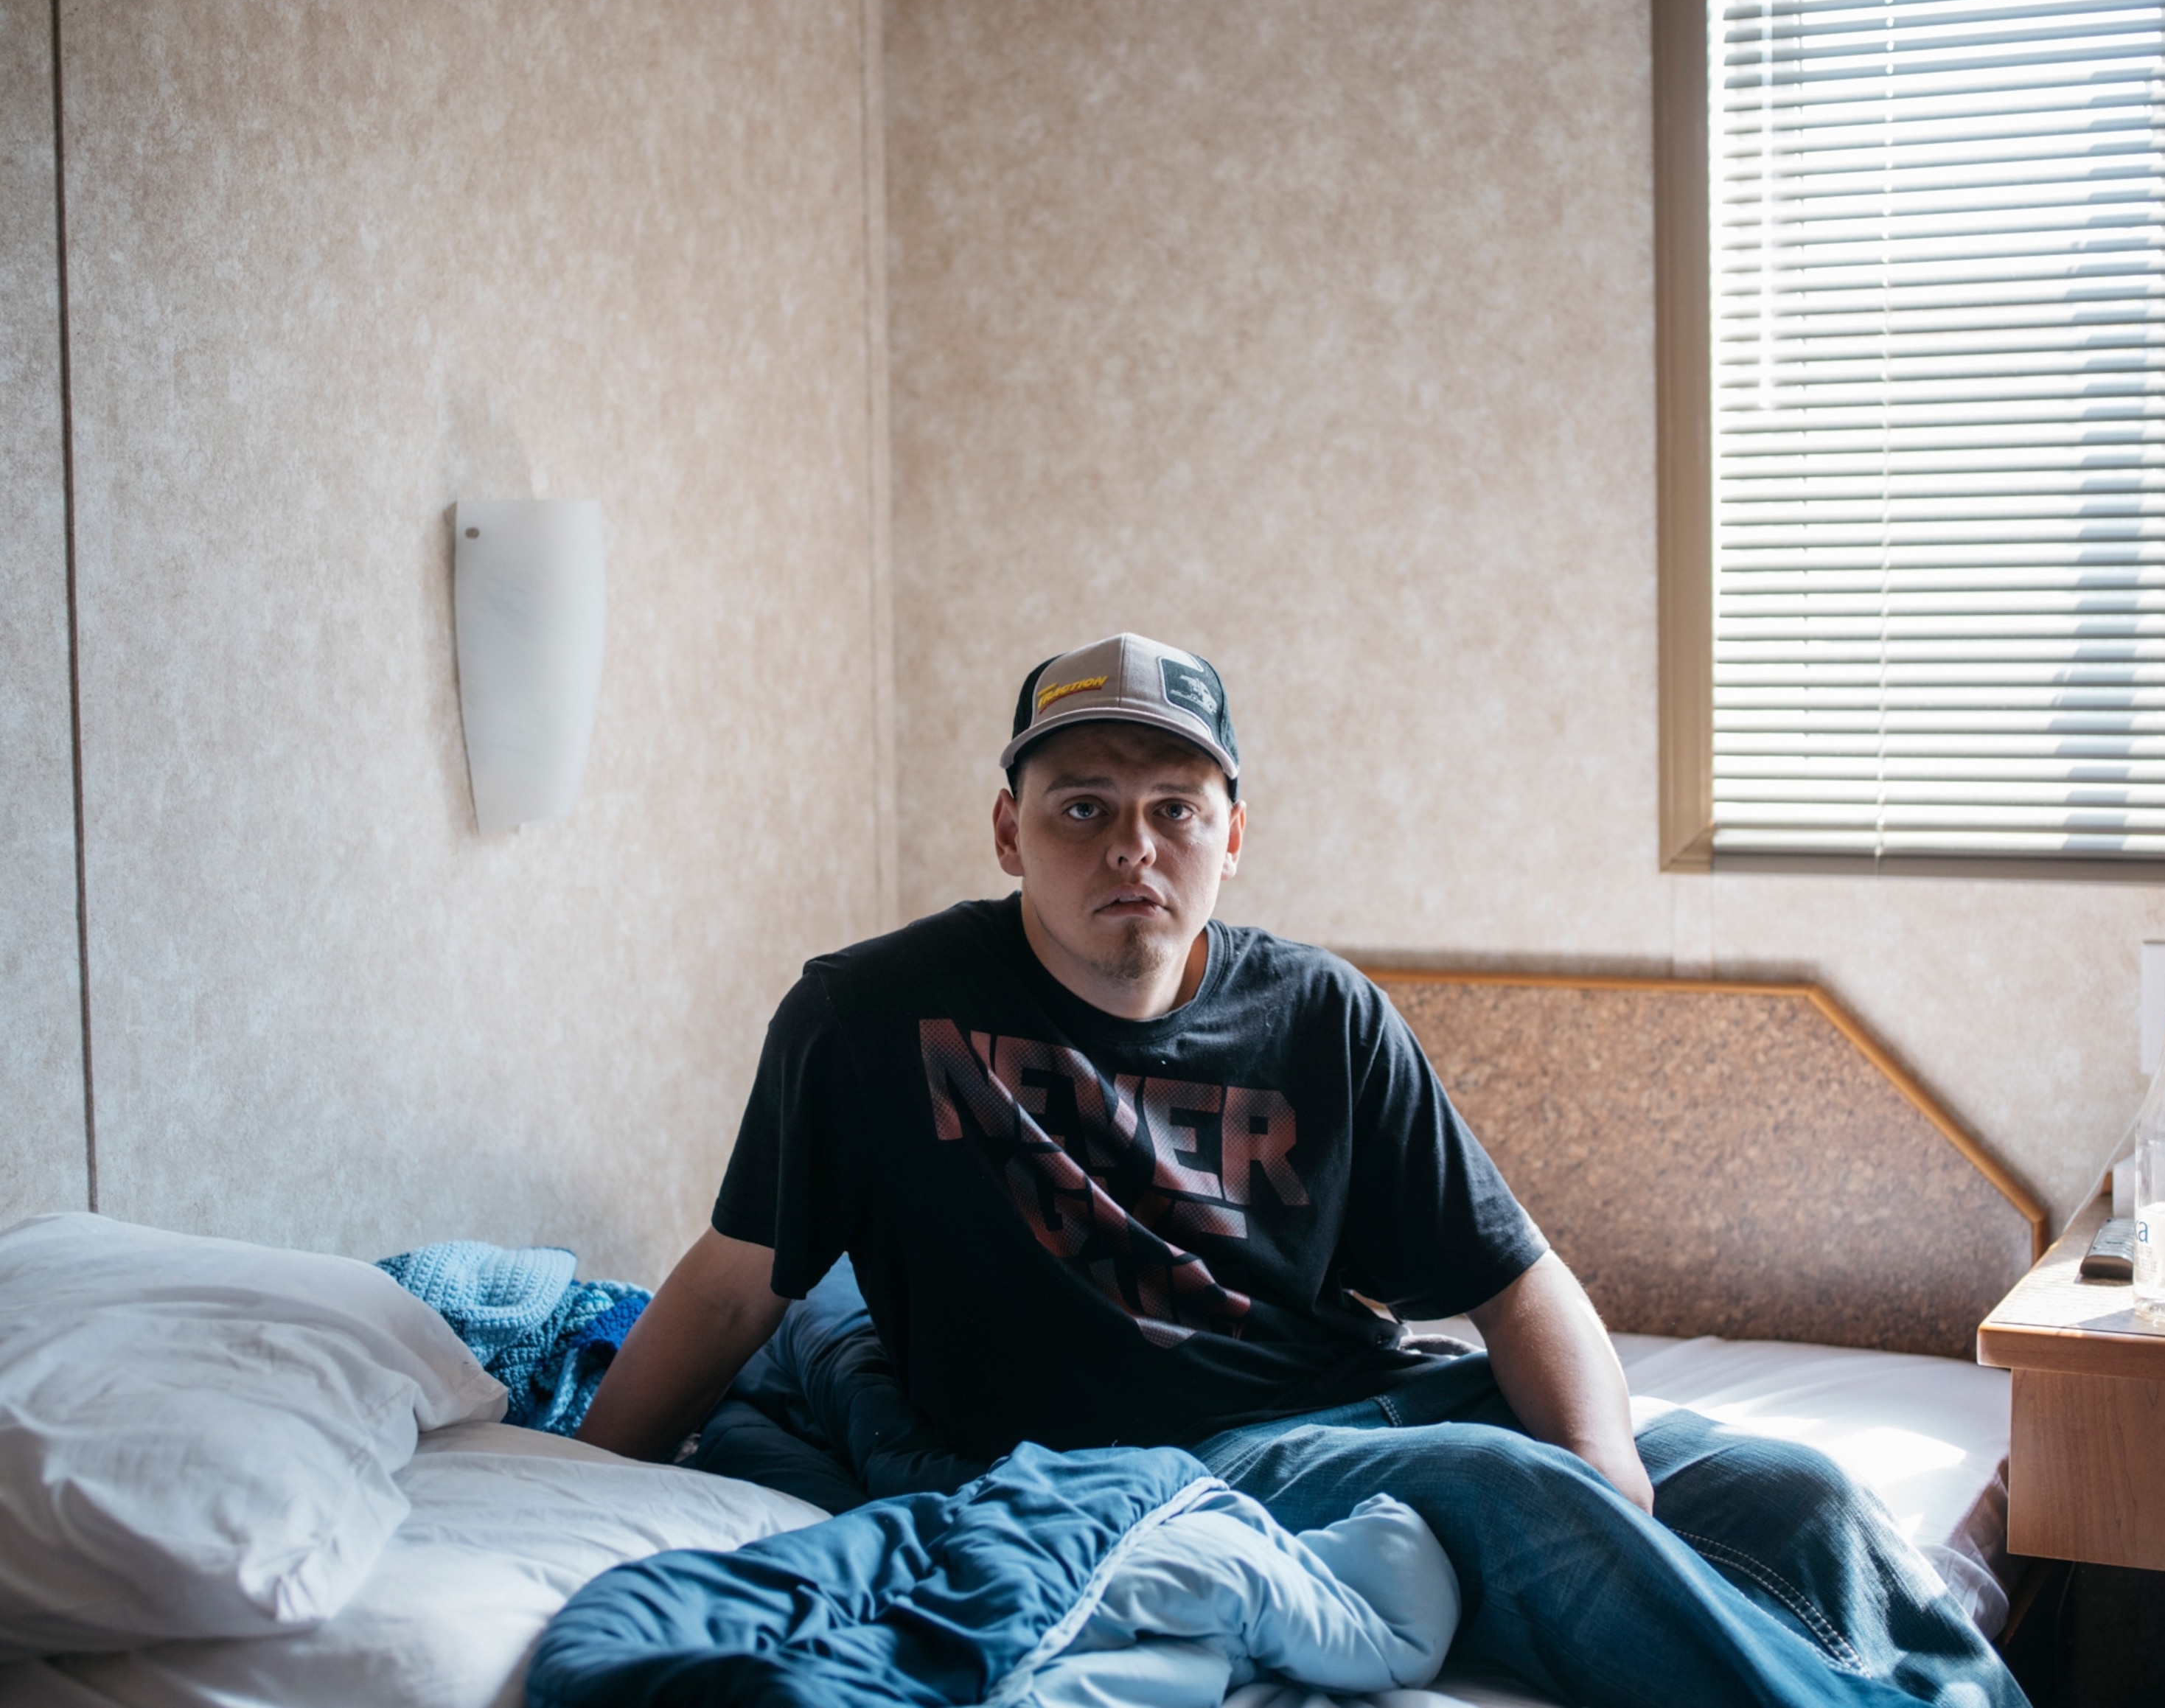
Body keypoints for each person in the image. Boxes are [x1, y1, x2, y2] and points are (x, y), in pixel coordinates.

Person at [577, 632, 2023, 1708]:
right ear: (1008, 828)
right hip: (1163, 1456)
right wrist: (577, 1468)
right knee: (1511, 1494)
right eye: (1083, 805)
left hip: (1364, 1391)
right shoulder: (866, 1016)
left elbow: (1518, 1283)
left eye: (1176, 808)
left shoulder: (1321, 1014)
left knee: (1793, 1489)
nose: (1132, 846)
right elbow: (735, 1286)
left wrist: (1611, 1471)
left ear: (1233, 835)